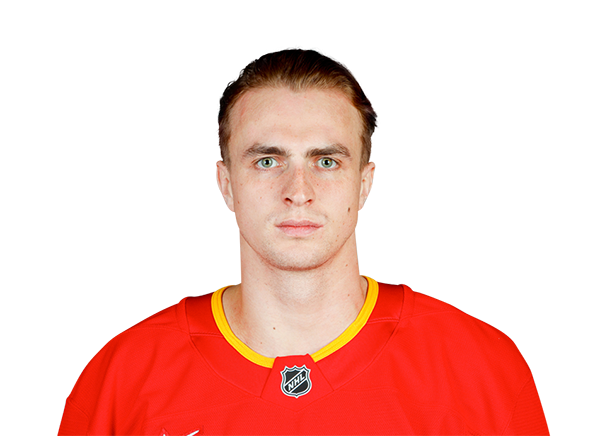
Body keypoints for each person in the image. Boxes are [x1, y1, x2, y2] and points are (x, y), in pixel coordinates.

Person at [58, 48, 549, 435]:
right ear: (226, 184)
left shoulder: (480, 370)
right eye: (267, 161)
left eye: (326, 161)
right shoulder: (123, 379)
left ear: (364, 183)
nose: (298, 191)